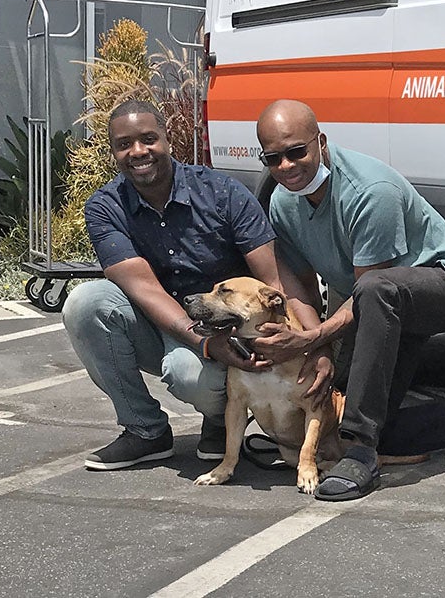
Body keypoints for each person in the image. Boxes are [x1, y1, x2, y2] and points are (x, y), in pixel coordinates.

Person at [251, 99, 445, 501]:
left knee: (374, 300)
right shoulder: (284, 202)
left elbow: (372, 288)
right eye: (273, 158)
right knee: (344, 413)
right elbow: (298, 286)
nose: (286, 167)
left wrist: (314, 341)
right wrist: (318, 349)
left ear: (321, 142)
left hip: (443, 287)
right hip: (379, 305)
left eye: (297, 152)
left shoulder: (371, 191)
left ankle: (362, 452)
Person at [63, 99, 330, 470]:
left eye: (148, 139)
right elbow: (145, 290)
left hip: (229, 326)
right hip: (161, 321)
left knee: (193, 380)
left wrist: (314, 343)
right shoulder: (106, 207)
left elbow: (274, 279)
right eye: (124, 144)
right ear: (113, 152)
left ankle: (221, 422)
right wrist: (204, 343)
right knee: (85, 303)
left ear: (167, 139)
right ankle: (145, 431)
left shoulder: (223, 193)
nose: (138, 151)